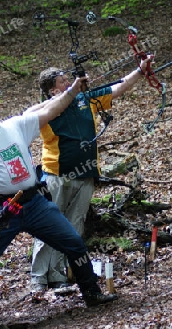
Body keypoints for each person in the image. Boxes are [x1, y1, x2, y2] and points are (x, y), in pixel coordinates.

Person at [0, 79, 118, 329]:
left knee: (72, 242)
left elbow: (51, 110)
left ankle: (91, 292)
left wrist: (73, 90)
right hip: (1, 210)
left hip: (34, 202)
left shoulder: (14, 126)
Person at [28, 58, 151, 291]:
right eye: (64, 82)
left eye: (69, 79)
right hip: (56, 175)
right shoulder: (45, 111)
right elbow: (28, 113)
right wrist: (69, 93)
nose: (70, 83)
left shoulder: (86, 99)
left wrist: (140, 71)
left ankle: (60, 274)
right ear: (53, 90)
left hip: (85, 175)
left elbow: (118, 87)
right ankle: (39, 278)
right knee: (49, 226)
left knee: (73, 228)